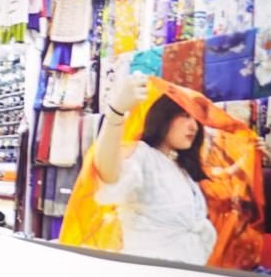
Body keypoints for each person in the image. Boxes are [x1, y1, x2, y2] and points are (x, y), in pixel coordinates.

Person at [91, 73, 217, 265]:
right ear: (164, 118)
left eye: (196, 120)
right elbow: (108, 174)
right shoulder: (143, 157)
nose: (194, 126)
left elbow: (222, 179)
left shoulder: (181, 168)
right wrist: (116, 113)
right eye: (184, 116)